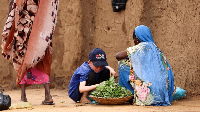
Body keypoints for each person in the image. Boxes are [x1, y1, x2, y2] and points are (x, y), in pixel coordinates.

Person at [1, 0, 59, 105]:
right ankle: (48, 95)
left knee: (22, 59)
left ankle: (23, 97)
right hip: (40, 26)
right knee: (43, 57)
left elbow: (15, 7)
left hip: (23, 26)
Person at [116, 25, 174, 106]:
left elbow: (118, 56)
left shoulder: (141, 47)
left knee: (122, 63)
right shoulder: (157, 50)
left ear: (137, 38)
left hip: (147, 95)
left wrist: (130, 57)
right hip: (163, 94)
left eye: (134, 39)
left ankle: (130, 95)